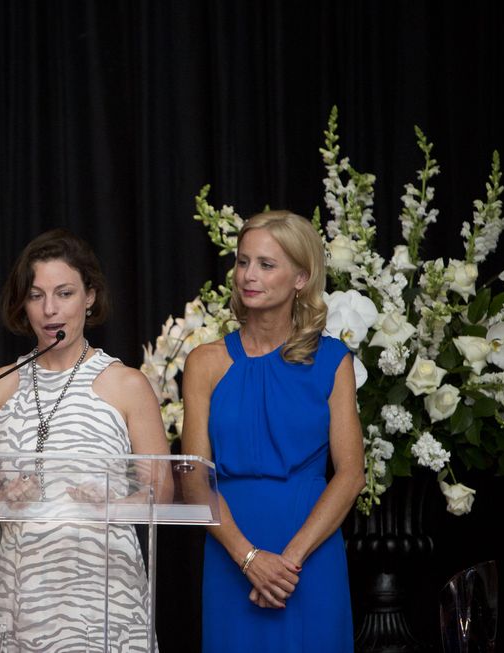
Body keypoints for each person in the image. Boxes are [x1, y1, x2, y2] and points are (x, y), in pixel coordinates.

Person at [0, 228, 172, 652]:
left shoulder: (127, 384)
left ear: (90, 296)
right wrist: (6, 498)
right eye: (37, 295)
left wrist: (110, 506)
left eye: (64, 293)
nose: (50, 310)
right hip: (22, 594)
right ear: (23, 303)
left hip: (106, 592)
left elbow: (162, 490)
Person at [180, 210, 365, 652]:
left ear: (301, 277)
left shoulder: (333, 360)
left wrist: (287, 562)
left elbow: (351, 474)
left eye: (266, 264)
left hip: (309, 556)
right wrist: (249, 558)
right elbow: (193, 478)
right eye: (243, 262)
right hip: (231, 549)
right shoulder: (204, 362)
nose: (249, 276)